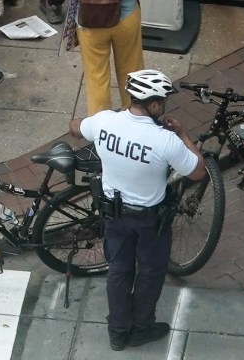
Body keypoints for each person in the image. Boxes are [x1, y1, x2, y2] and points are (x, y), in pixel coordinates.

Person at [83, 69, 199, 351]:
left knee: (119, 271)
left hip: (114, 216)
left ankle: (118, 332)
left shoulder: (104, 122)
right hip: (150, 221)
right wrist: (183, 133)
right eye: (164, 101)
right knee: (149, 272)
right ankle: (142, 327)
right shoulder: (166, 140)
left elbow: (78, 127)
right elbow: (197, 172)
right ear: (155, 105)